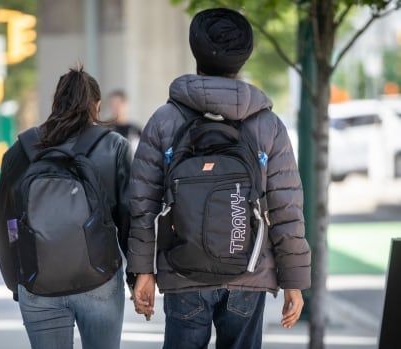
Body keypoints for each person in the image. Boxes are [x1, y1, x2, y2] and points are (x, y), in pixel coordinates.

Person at [127, 8, 311, 349]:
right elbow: (287, 208)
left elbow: (143, 204)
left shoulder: (165, 120)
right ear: (243, 58)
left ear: (195, 51)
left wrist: (144, 271)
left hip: (183, 272)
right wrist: (294, 282)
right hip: (249, 270)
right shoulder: (268, 125)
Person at [0, 66, 132, 349]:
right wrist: (138, 276)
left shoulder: (20, 150)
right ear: (97, 106)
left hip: (38, 281)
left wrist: (17, 278)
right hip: (100, 278)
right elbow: (131, 216)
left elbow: (4, 219)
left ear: (56, 104)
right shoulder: (113, 146)